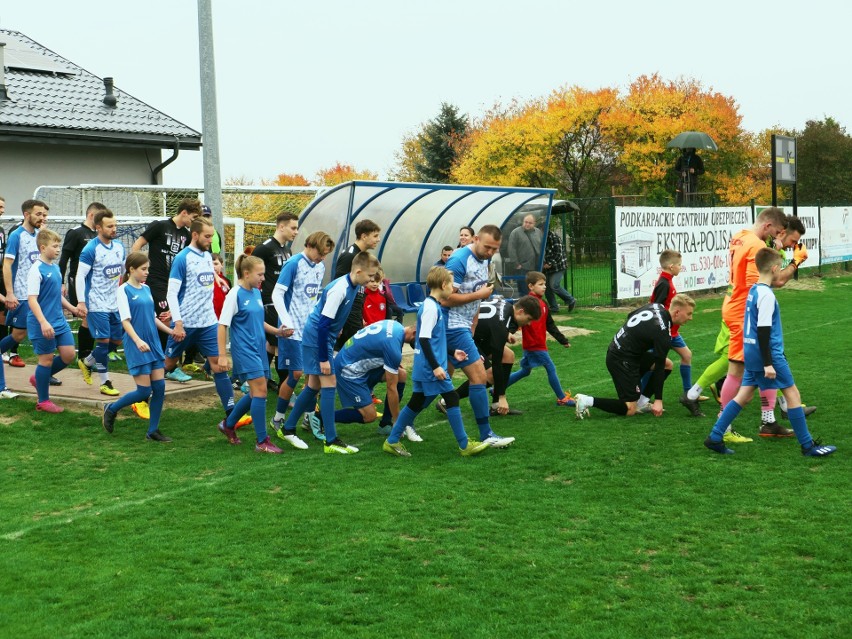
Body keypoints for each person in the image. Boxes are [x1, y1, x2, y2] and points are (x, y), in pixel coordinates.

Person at [704, 248, 835, 457]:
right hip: (768, 354)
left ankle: (715, 436)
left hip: (750, 351)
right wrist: (768, 363)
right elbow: (763, 330)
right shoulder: (766, 295)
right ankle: (807, 446)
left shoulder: (754, 290)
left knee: (744, 395)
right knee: (792, 394)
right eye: (780, 267)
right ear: (774, 268)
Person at [688, 207, 790, 442]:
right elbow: (761, 283)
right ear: (767, 225)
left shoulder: (741, 235)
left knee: (764, 364)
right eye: (776, 232)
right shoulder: (755, 245)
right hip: (744, 311)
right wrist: (783, 264)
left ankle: (768, 421)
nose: (775, 237)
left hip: (735, 304)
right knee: (738, 368)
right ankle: (724, 426)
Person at [277, 251, 380, 455]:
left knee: (313, 386)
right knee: (329, 383)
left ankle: (287, 428)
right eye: (370, 276)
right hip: (317, 338)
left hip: (321, 337)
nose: (372, 280)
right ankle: (331, 440)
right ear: (358, 271)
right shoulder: (340, 288)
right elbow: (323, 324)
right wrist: (324, 357)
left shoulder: (352, 286)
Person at [383, 266, 491, 458]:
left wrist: (452, 351)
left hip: (427, 366)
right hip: (429, 367)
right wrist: (436, 367)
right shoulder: (431, 308)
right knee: (452, 398)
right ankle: (465, 445)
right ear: (443, 285)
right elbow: (423, 340)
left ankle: (391, 441)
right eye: (451, 284)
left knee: (416, 403)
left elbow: (432, 338)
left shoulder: (433, 306)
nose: (453, 288)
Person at [443, 224, 515, 448]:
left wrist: (473, 326)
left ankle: (399, 426)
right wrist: (479, 294)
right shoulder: (459, 260)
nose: (491, 252)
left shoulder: (485, 260)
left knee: (435, 384)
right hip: (451, 325)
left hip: (464, 326)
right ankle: (486, 434)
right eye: (487, 247)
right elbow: (445, 299)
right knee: (479, 377)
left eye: (495, 249)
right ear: (475, 239)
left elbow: (476, 300)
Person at [574, 294, 696, 419]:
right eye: (689, 314)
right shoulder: (663, 334)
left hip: (625, 352)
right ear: (677, 312)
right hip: (621, 359)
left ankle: (642, 403)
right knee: (630, 409)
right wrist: (658, 400)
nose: (690, 318)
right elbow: (658, 367)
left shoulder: (656, 306)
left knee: (667, 364)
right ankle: (586, 401)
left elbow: (630, 315)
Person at [163, 216, 236, 421]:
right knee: (168, 365)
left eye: (212, 236)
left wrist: (218, 279)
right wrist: (177, 322)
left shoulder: (206, 257)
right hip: (184, 324)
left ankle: (231, 415)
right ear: (194, 235)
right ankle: (142, 397)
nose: (210, 240)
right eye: (207, 236)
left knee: (218, 365)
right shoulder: (182, 258)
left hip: (208, 323)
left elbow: (206, 279)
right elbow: (171, 293)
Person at [216, 254, 288, 453]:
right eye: (260, 274)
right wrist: (222, 355)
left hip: (258, 348)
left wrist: (277, 331)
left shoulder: (256, 293)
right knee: (261, 392)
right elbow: (222, 326)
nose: (263, 278)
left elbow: (258, 321)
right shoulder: (234, 294)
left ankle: (228, 425)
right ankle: (262, 441)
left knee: (258, 390)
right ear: (246, 274)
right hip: (244, 350)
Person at [269, 231, 334, 441]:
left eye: (325, 255)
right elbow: (277, 294)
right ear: (311, 246)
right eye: (321, 253)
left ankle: (308, 418)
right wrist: (286, 320)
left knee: (311, 376)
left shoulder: (319, 267)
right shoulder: (294, 263)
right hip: (291, 330)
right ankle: (278, 418)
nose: (323, 258)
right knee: (296, 374)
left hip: (309, 329)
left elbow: (314, 296)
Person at [103, 252, 174, 441]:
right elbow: (125, 321)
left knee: (159, 388)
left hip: (153, 343)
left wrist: (170, 331)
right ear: (131, 269)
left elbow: (152, 317)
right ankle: (111, 408)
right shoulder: (123, 290)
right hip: (137, 344)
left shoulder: (146, 289)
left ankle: (152, 431)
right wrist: (137, 341)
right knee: (143, 391)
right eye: (143, 269)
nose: (147, 272)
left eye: (148, 269)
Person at [440, 295, 541, 416]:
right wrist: (502, 396)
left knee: (509, 356)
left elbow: (493, 320)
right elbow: (497, 362)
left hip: (477, 336)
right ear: (521, 311)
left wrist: (506, 333)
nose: (529, 323)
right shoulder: (500, 326)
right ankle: (447, 401)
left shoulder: (506, 305)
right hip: (464, 338)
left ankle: (496, 406)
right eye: (529, 319)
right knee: (491, 374)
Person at [130, 197, 198, 363]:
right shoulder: (160, 226)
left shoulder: (187, 235)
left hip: (175, 284)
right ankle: (163, 362)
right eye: (193, 218)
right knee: (166, 319)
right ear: (184, 213)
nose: (194, 222)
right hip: (156, 282)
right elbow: (137, 245)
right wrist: (136, 268)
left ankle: (167, 361)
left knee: (174, 319)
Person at [25, 229, 84, 412]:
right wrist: (43, 322)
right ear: (43, 248)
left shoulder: (56, 268)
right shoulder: (36, 270)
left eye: (59, 246)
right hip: (42, 323)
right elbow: (32, 299)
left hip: (59, 322)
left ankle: (39, 378)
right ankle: (43, 401)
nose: (58, 250)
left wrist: (72, 308)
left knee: (68, 355)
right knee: (46, 360)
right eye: (55, 246)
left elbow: (56, 295)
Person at [333, 319, 415, 439]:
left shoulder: (395, 325)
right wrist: (398, 422)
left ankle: (385, 424)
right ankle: (321, 417)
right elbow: (391, 388)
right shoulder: (393, 346)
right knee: (369, 416)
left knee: (401, 374)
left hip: (351, 360)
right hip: (348, 370)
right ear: (414, 333)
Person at [644, 250, 703, 416]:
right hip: (664, 332)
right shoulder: (664, 283)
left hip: (673, 331)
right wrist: (660, 331)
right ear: (671, 266)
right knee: (654, 363)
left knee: (687, 355)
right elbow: (656, 308)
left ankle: (689, 393)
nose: (680, 267)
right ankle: (642, 396)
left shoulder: (667, 281)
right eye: (679, 265)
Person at [75, 209, 125, 397]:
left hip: (114, 303)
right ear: (98, 228)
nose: (114, 229)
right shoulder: (90, 249)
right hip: (96, 303)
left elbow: (121, 273)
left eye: (115, 225)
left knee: (117, 339)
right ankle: (105, 382)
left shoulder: (119, 246)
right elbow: (80, 276)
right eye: (109, 226)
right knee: (103, 342)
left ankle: (87, 362)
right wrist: (82, 302)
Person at [506, 271, 574, 406]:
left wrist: (563, 340)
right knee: (550, 367)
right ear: (531, 286)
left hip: (535, 345)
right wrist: (509, 332)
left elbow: (550, 324)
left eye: (545, 284)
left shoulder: (543, 304)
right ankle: (561, 398)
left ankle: (497, 389)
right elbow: (515, 320)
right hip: (534, 345)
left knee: (525, 371)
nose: (544, 287)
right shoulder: (526, 303)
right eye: (541, 284)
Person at [250, 211, 299, 386]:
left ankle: (262, 377)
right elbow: (249, 272)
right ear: (281, 226)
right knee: (279, 343)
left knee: (271, 345)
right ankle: (285, 385)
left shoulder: (287, 250)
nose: (296, 232)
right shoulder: (264, 248)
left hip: (282, 303)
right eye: (293, 228)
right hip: (269, 303)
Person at [1, 200, 48, 372]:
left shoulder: (40, 234)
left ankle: (46, 369)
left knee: (43, 330)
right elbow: (6, 265)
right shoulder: (16, 235)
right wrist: (10, 293)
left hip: (38, 293)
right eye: (38, 214)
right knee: (18, 334)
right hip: (21, 293)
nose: (42, 218)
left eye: (44, 215)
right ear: (26, 215)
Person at [59, 202, 106, 364]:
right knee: (87, 317)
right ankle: (84, 356)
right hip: (79, 282)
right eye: (101, 218)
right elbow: (64, 259)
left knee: (96, 318)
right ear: (92, 216)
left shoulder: (100, 235)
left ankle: (92, 355)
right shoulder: (76, 233)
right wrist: (61, 282)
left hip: (98, 284)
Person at [333, 219, 381, 352]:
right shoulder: (350, 256)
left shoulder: (361, 255)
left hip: (354, 312)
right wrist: (339, 321)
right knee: (345, 352)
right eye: (375, 236)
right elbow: (338, 288)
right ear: (364, 236)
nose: (378, 239)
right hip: (347, 314)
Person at [506, 214, 543, 295]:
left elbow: (542, 247)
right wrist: (516, 263)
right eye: (526, 222)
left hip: (536, 266)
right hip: (523, 266)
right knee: (523, 290)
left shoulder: (538, 232)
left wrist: (543, 261)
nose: (527, 224)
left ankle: (534, 305)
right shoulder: (516, 232)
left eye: (530, 223)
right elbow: (511, 249)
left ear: (534, 223)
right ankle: (524, 305)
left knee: (535, 289)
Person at [542, 227, 576, 312]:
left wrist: (550, 263)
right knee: (546, 287)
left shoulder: (554, 237)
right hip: (547, 268)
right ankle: (554, 307)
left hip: (558, 266)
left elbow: (558, 253)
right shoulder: (541, 238)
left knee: (554, 285)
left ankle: (570, 300)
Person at [211, 253, 231, 318]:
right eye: (210, 264)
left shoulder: (226, 281)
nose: (213, 266)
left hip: (222, 318)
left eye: (216, 264)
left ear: (222, 265)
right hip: (209, 319)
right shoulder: (205, 280)